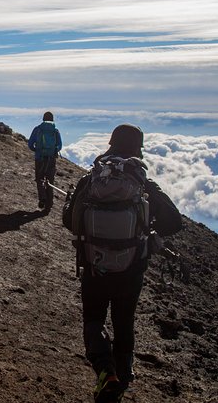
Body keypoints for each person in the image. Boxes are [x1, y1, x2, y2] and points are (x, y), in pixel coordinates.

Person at [68, 124, 182, 402]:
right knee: (124, 323)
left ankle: (106, 371)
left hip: (94, 267)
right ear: (137, 148)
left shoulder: (92, 179)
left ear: (111, 143)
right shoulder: (141, 183)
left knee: (93, 321)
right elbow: (174, 221)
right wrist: (147, 230)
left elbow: (68, 220)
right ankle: (122, 376)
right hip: (131, 271)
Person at [27, 111, 62, 211]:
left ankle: (42, 198)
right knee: (50, 180)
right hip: (51, 159)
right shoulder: (55, 131)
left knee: (40, 179)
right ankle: (49, 203)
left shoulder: (37, 129)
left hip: (40, 158)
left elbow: (30, 144)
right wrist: (54, 150)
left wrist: (36, 150)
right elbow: (59, 145)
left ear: (43, 118)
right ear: (52, 119)